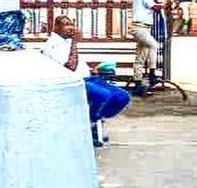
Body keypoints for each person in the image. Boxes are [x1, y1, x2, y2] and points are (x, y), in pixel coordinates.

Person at [41, 15, 130, 147]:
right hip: (74, 82)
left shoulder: (67, 42)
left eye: (71, 24)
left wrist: (91, 68)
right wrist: (75, 43)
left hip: (89, 78)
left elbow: (77, 62)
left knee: (122, 97)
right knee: (103, 95)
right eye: (66, 24)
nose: (70, 28)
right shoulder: (53, 44)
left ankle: (95, 119)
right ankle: (90, 122)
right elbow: (70, 66)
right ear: (56, 27)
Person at [131, 0, 163, 95]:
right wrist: (164, 6)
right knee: (154, 45)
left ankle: (138, 83)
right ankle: (152, 75)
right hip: (140, 27)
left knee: (141, 56)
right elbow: (154, 7)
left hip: (143, 27)